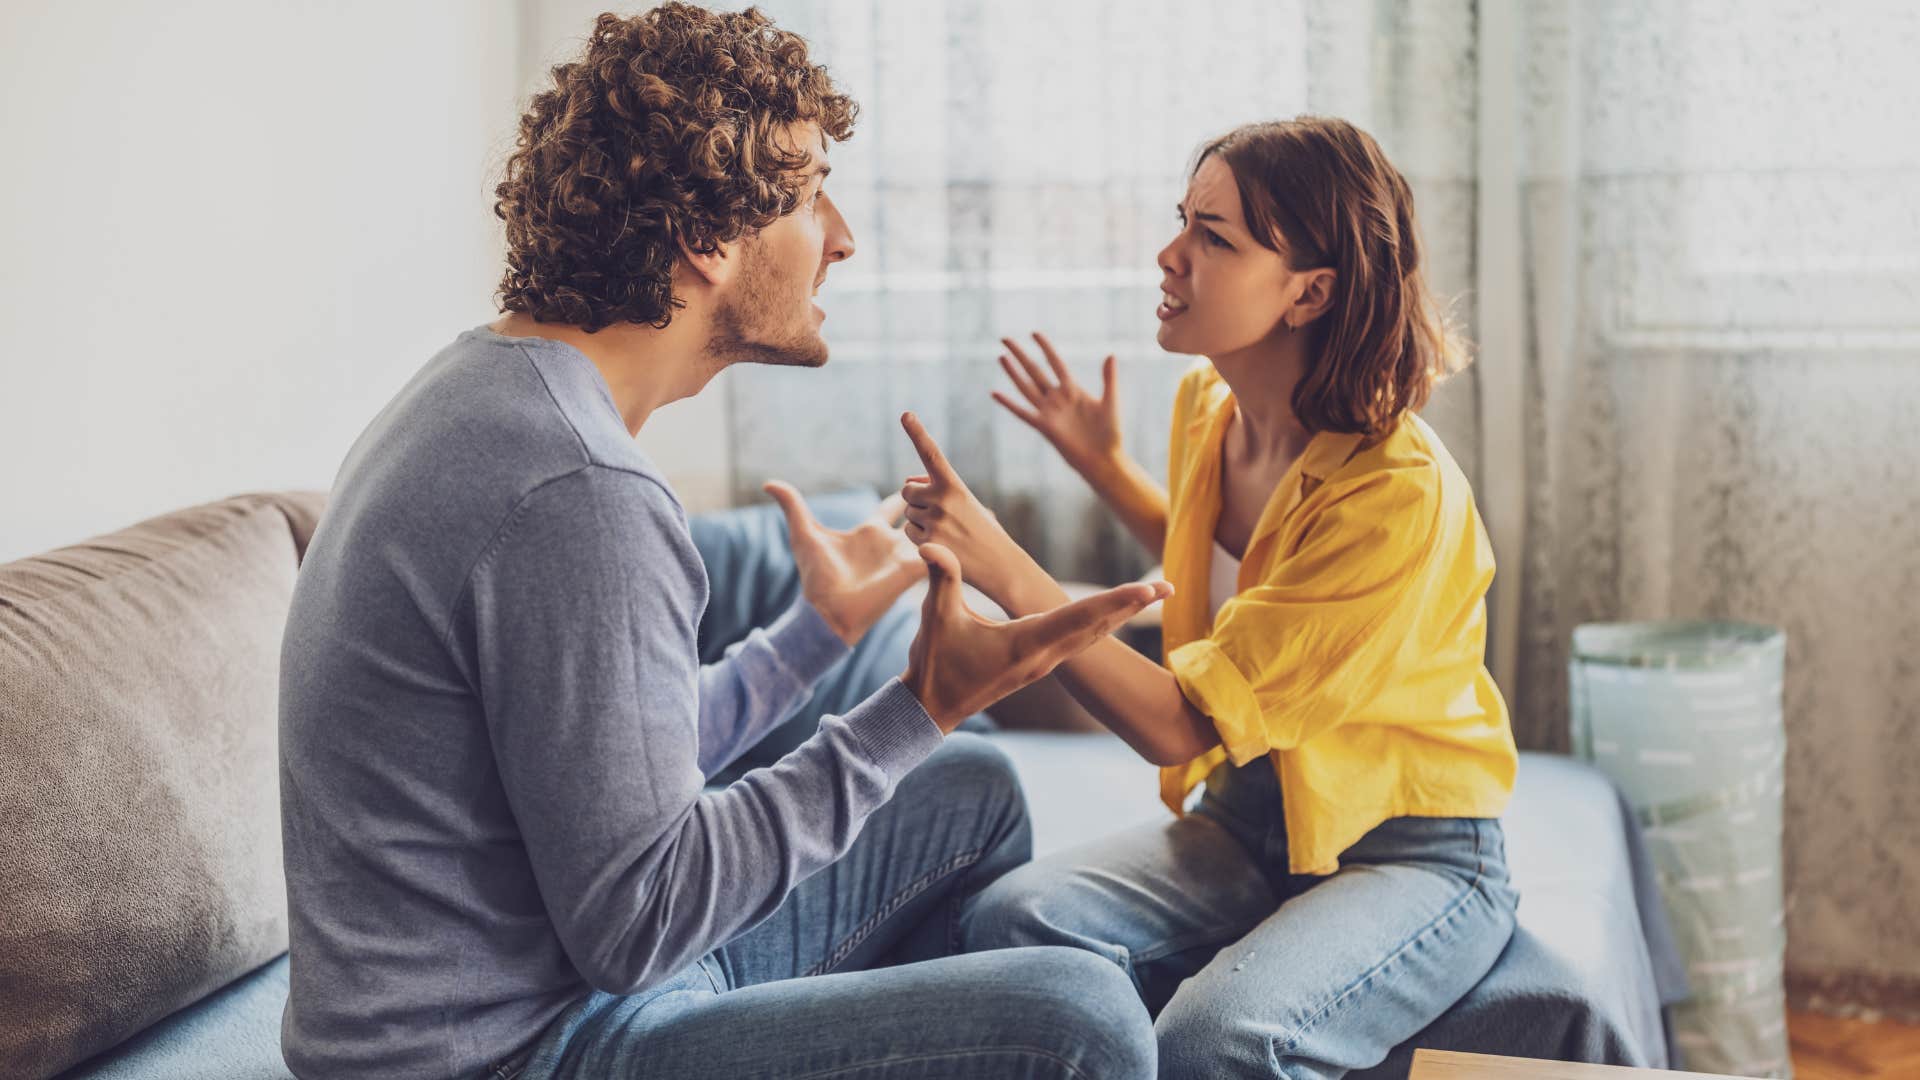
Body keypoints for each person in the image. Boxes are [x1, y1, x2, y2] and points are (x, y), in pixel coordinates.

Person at [277, 6, 1165, 1078]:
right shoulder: (580, 490)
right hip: (515, 1053)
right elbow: (641, 921)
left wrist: (815, 634)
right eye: (811, 196)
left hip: (561, 991)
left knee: (969, 792)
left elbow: (604, 766)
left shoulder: (487, 388)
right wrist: (922, 703)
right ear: (706, 239)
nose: (842, 237)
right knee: (1083, 1019)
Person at [896, 117, 1523, 1079]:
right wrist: (1107, 467)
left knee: (1214, 1041)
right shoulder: (1211, 409)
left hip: (1406, 849)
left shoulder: (1395, 495)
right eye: (1183, 220)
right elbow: (1241, 576)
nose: (1170, 253)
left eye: (1215, 237)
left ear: (1310, 292)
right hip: (1247, 818)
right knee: (1011, 921)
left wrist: (1006, 567)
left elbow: (1182, 723)